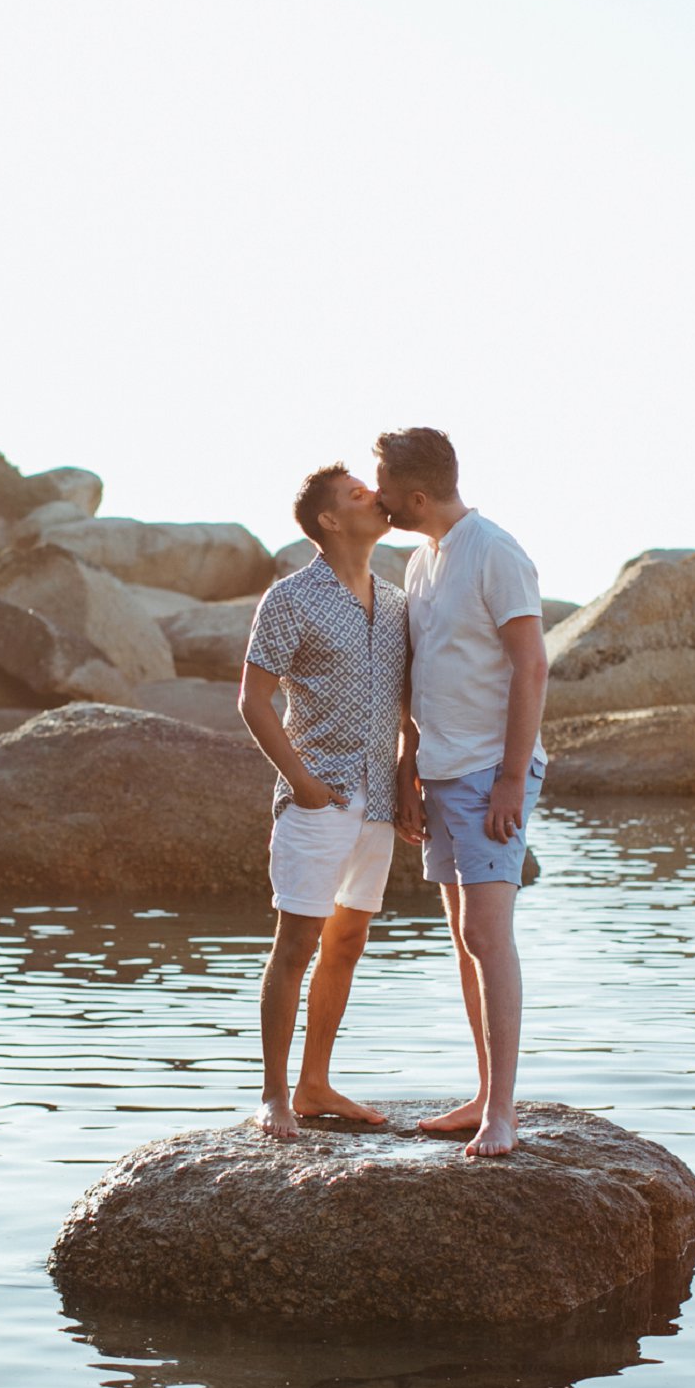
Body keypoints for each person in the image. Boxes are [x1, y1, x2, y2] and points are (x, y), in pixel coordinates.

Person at [374, 427, 547, 1158]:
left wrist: (511, 778)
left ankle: (502, 1113)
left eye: (384, 490)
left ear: (415, 496)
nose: (376, 501)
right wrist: (410, 765)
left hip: (489, 772)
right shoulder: (420, 562)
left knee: (486, 934)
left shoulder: (495, 552)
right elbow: (424, 675)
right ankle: (483, 1095)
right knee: (463, 940)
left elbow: (532, 665)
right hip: (440, 771)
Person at [238, 463, 410, 1139]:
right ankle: (275, 1094)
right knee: (296, 944)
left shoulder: (396, 603)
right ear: (330, 521)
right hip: (319, 798)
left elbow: (407, 706)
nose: (375, 497)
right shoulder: (290, 598)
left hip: (379, 803)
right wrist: (302, 782)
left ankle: (316, 1083)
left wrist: (411, 783)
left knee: (348, 941)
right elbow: (252, 699)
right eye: (357, 494)